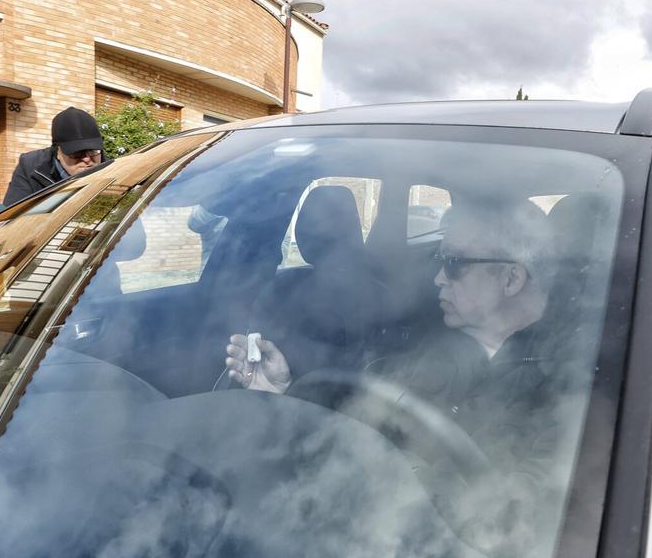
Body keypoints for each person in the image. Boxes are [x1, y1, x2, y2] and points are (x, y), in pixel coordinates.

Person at [225, 199, 565, 475]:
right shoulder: (431, 347)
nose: (437, 279)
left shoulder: (567, 384)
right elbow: (355, 426)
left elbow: (515, 522)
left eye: (453, 263)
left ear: (510, 279)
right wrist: (284, 393)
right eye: (438, 260)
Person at [3, 107, 105, 206]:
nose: (87, 159)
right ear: (57, 150)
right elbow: (11, 218)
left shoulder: (112, 169)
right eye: (76, 153)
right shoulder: (30, 167)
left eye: (92, 150)